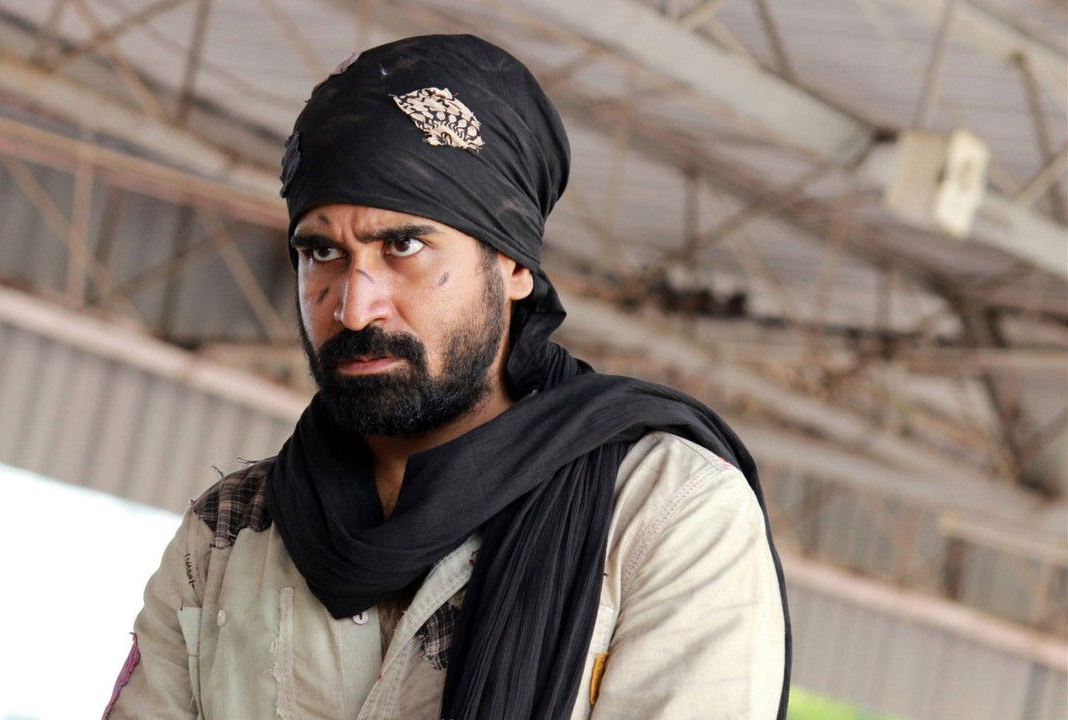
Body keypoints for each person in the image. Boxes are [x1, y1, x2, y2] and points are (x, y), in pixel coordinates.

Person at [104, 34, 789, 720]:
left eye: (403, 246)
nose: (354, 307)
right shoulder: (233, 532)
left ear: (512, 266)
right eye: (322, 252)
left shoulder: (660, 513)